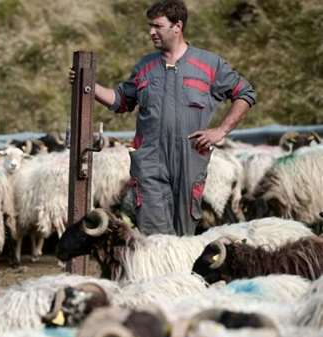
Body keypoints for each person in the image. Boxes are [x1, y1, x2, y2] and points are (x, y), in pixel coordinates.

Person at [73, 0, 255, 236]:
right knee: (154, 237)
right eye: (150, 26)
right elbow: (120, 100)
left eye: (157, 26)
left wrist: (221, 130)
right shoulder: (145, 67)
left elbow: (245, 93)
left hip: (190, 159)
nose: (151, 32)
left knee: (184, 237)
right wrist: (88, 85)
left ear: (177, 27)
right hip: (150, 160)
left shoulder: (209, 65)